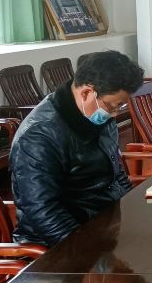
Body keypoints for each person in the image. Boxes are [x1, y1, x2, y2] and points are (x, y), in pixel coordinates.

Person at [11, 51, 144, 246]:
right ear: (87, 93)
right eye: (112, 106)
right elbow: (42, 210)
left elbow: (116, 174)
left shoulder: (98, 115)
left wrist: (134, 214)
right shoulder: (40, 135)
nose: (114, 114)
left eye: (120, 106)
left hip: (104, 224)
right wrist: (84, 251)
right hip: (60, 242)